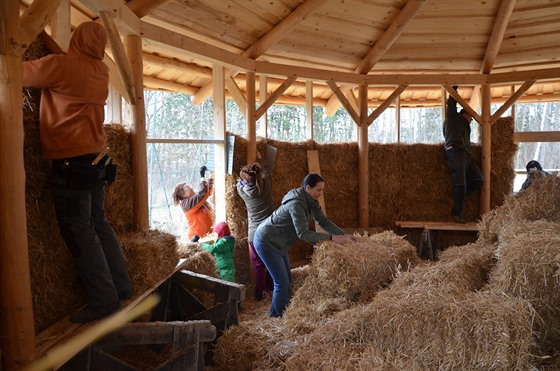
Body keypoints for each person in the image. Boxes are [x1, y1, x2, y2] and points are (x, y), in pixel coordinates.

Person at [22, 22, 133, 323]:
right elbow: (69, 67)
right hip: (97, 158)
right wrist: (46, 40)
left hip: (71, 161)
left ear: (77, 40)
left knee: (79, 229)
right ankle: (121, 286)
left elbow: (18, 73)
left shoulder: (62, 67)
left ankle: (104, 301)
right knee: (98, 221)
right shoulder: (100, 71)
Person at [253, 173, 356, 317]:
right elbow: (303, 233)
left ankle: (282, 312)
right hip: (267, 241)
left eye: (322, 190)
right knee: (281, 283)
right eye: (318, 190)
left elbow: (324, 222)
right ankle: (275, 318)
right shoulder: (297, 204)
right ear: (308, 188)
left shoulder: (311, 202)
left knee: (287, 279)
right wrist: (332, 238)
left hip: (279, 242)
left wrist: (343, 236)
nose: (321, 194)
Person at [443, 85, 483, 223]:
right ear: (464, 113)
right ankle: (457, 214)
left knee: (478, 179)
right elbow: (451, 103)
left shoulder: (465, 126)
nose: (472, 120)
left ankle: (459, 195)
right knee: (460, 183)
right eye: (471, 117)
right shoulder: (453, 118)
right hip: (456, 152)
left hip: (466, 154)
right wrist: (454, 90)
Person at [237, 158, 274, 300]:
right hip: (270, 230)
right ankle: (272, 287)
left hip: (254, 233)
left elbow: (239, 183)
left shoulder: (242, 190)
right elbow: (266, 173)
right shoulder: (267, 185)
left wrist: (243, 181)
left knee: (258, 265)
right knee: (272, 260)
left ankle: (260, 293)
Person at [172, 166, 214, 241]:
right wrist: (202, 177)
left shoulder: (196, 199)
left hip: (208, 236)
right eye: (187, 187)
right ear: (183, 195)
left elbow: (207, 191)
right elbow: (203, 193)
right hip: (198, 239)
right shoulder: (186, 204)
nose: (191, 187)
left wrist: (212, 175)